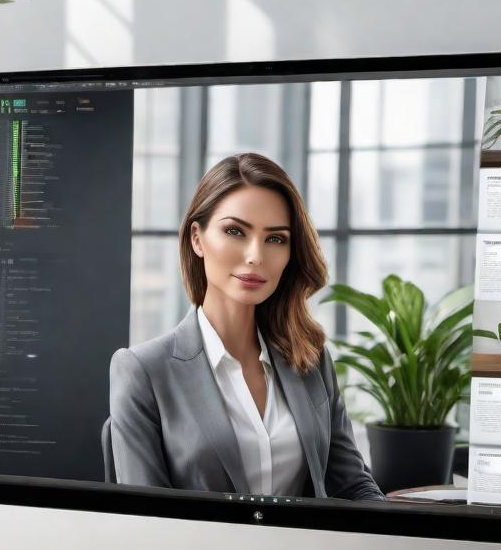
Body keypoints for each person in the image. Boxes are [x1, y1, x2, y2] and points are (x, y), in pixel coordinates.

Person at [109, 152, 383, 501]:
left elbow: (354, 487)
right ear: (197, 238)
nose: (256, 255)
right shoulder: (143, 371)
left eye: (275, 238)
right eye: (235, 231)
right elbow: (146, 520)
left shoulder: (309, 360)